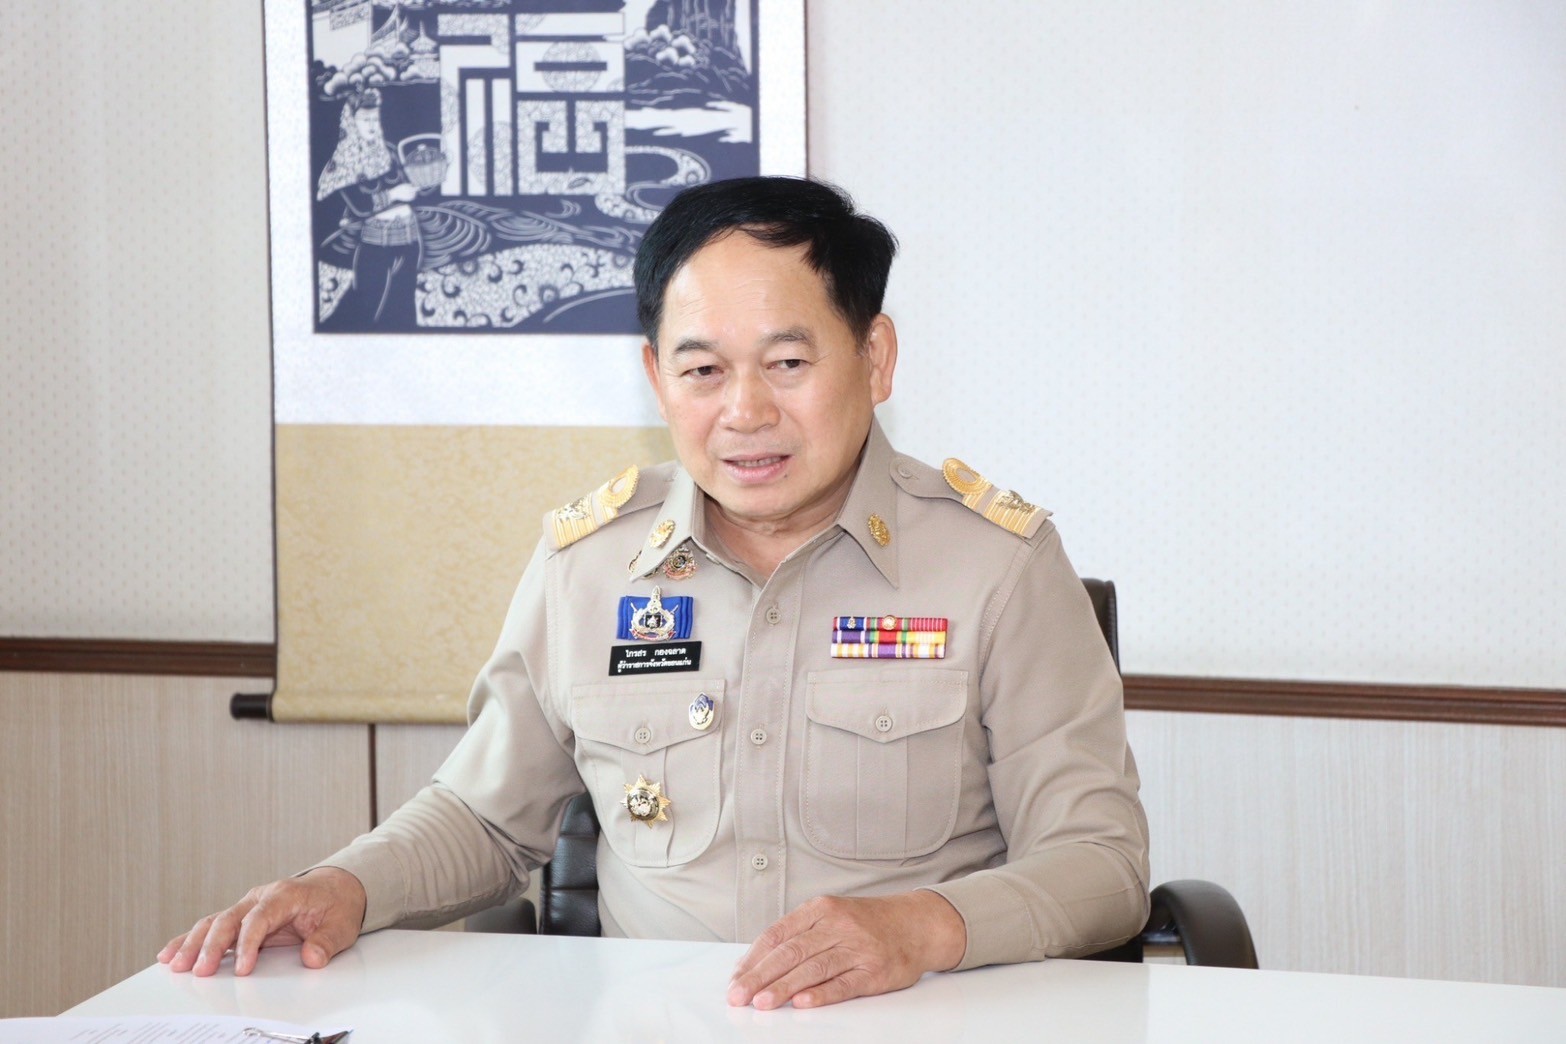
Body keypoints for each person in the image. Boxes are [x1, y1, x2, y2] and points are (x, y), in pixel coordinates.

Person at [160, 176, 1150, 1009]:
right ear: (655, 375)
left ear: (875, 357)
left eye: (788, 363)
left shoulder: (998, 567)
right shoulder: (589, 566)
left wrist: (920, 928)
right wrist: (345, 885)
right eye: (703, 370)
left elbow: (1100, 861)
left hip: (921, 1023)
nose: (745, 411)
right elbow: (485, 817)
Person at [315, 87, 422, 330]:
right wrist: (394, 194)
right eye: (365, 119)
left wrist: (415, 186)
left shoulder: (388, 151)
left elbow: (404, 183)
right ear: (351, 121)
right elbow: (358, 205)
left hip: (409, 239)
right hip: (376, 243)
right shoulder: (344, 161)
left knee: (404, 309)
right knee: (367, 308)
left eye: (375, 118)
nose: (372, 125)